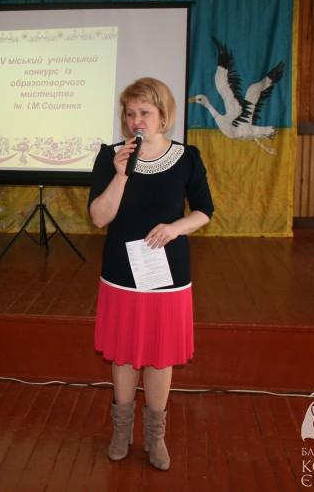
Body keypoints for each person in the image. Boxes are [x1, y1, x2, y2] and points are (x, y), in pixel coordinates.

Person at [88, 77, 213, 471]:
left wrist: (175, 228)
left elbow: (204, 211)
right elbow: (98, 218)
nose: (136, 121)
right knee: (124, 354)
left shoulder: (188, 157)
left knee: (160, 356)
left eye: (144, 112)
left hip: (167, 273)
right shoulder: (111, 156)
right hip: (121, 271)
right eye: (130, 113)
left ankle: (155, 436)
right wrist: (121, 174)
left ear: (163, 115)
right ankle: (121, 431)